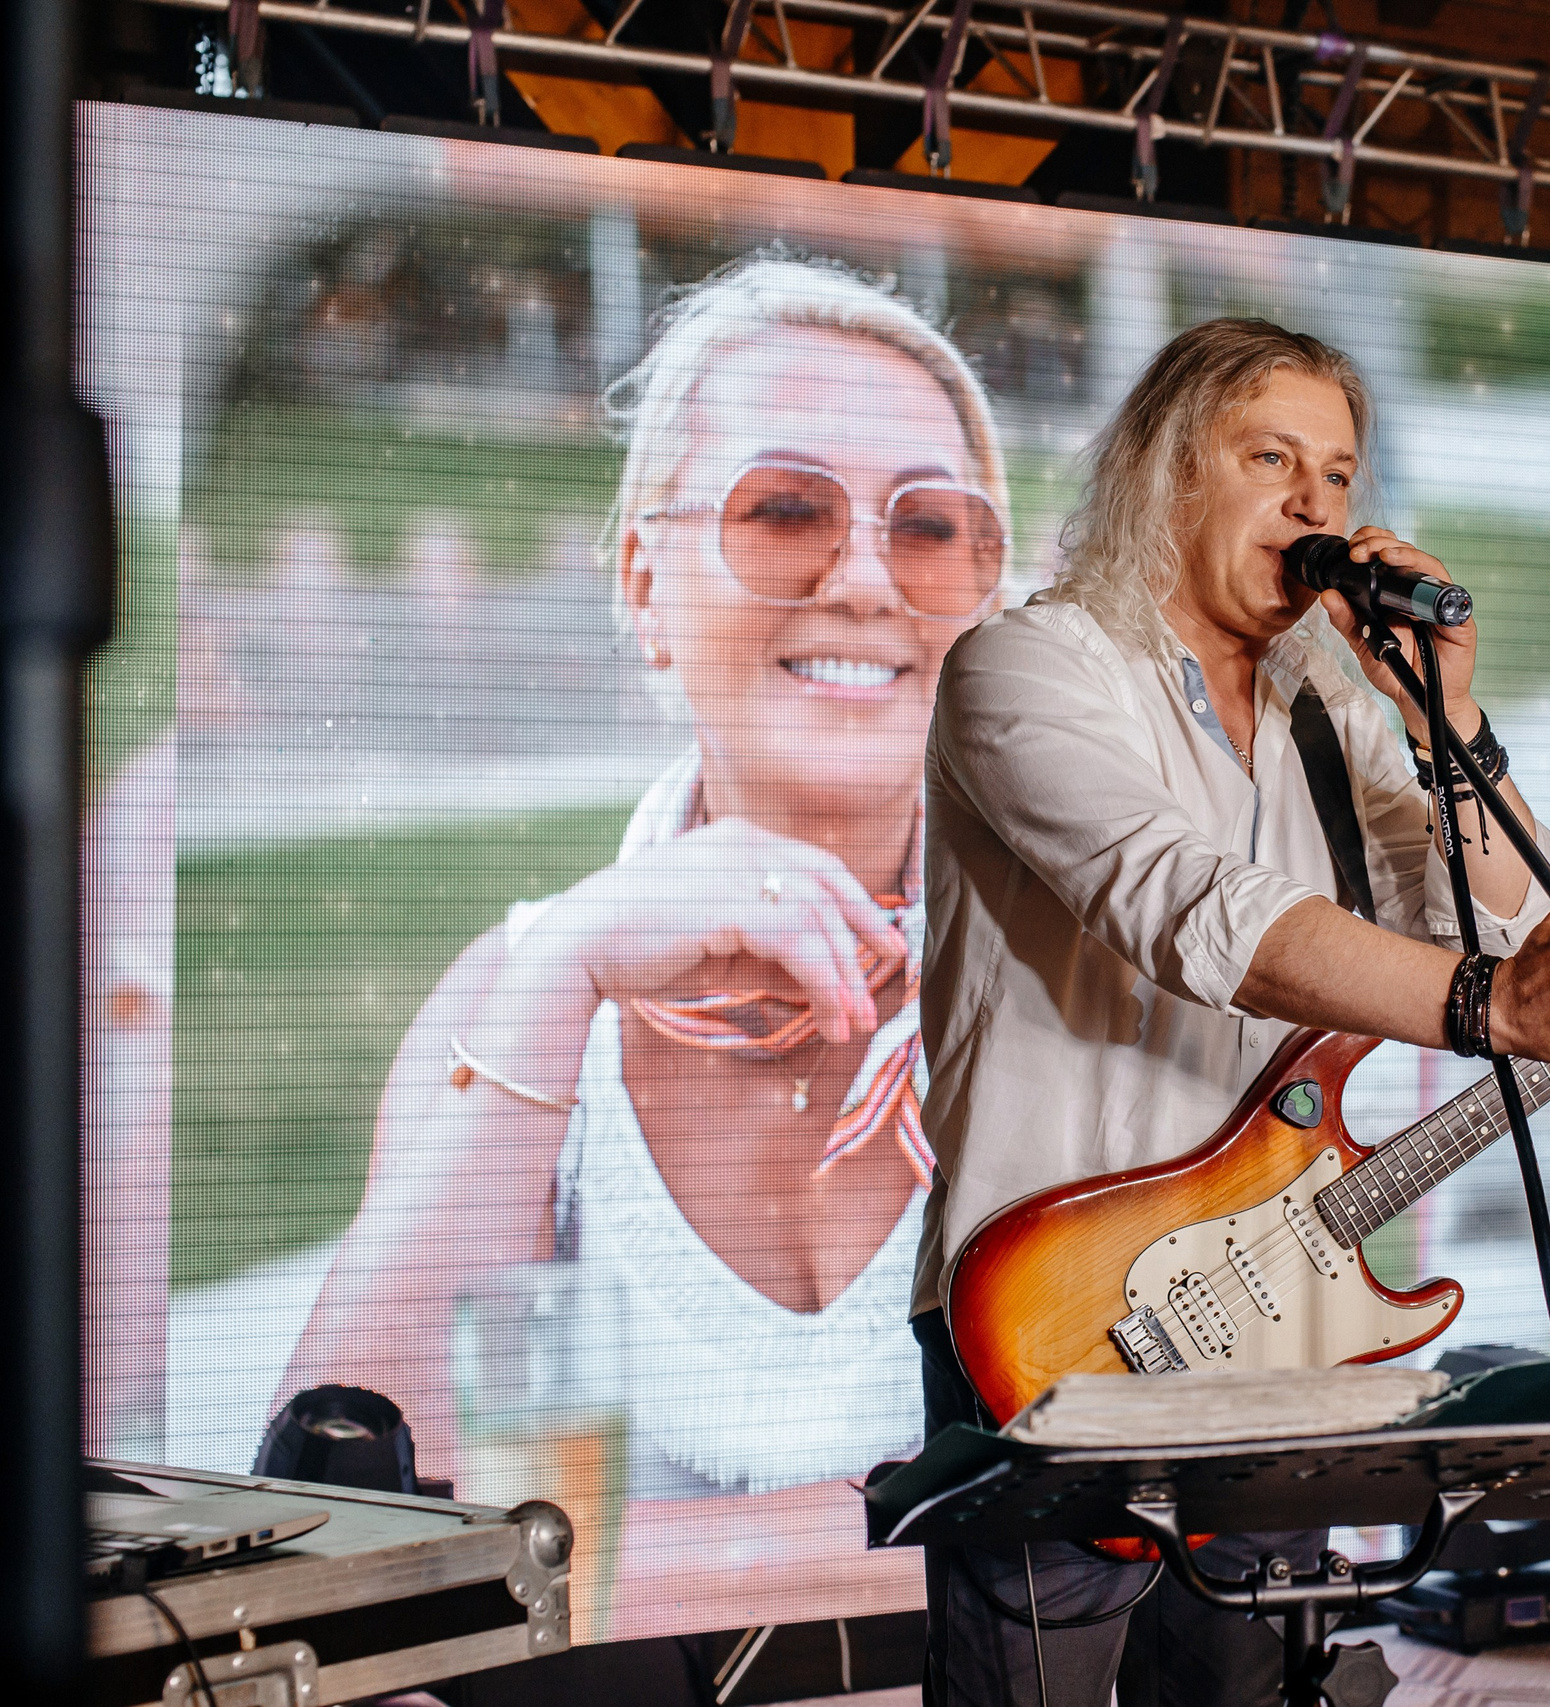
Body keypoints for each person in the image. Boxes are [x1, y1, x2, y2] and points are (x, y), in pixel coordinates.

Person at [912, 318, 1550, 1705]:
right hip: (1048, 1303)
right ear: (1167, 471)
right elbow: (1186, 905)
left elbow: (1494, 915)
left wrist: (1454, 717)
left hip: (1272, 1300)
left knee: (1258, 1683)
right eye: (1272, 456)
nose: (1318, 502)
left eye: (1338, 469)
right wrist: (1489, 1004)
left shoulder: (1327, 704)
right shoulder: (1024, 670)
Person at [280, 255, 1010, 1637]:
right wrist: (565, 970)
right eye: (783, 508)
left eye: (930, 529)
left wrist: (616, 1572)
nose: (863, 576)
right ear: (641, 579)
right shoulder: (517, 985)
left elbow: (1166, 1522)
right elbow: (345, 1539)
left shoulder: (1079, 991)